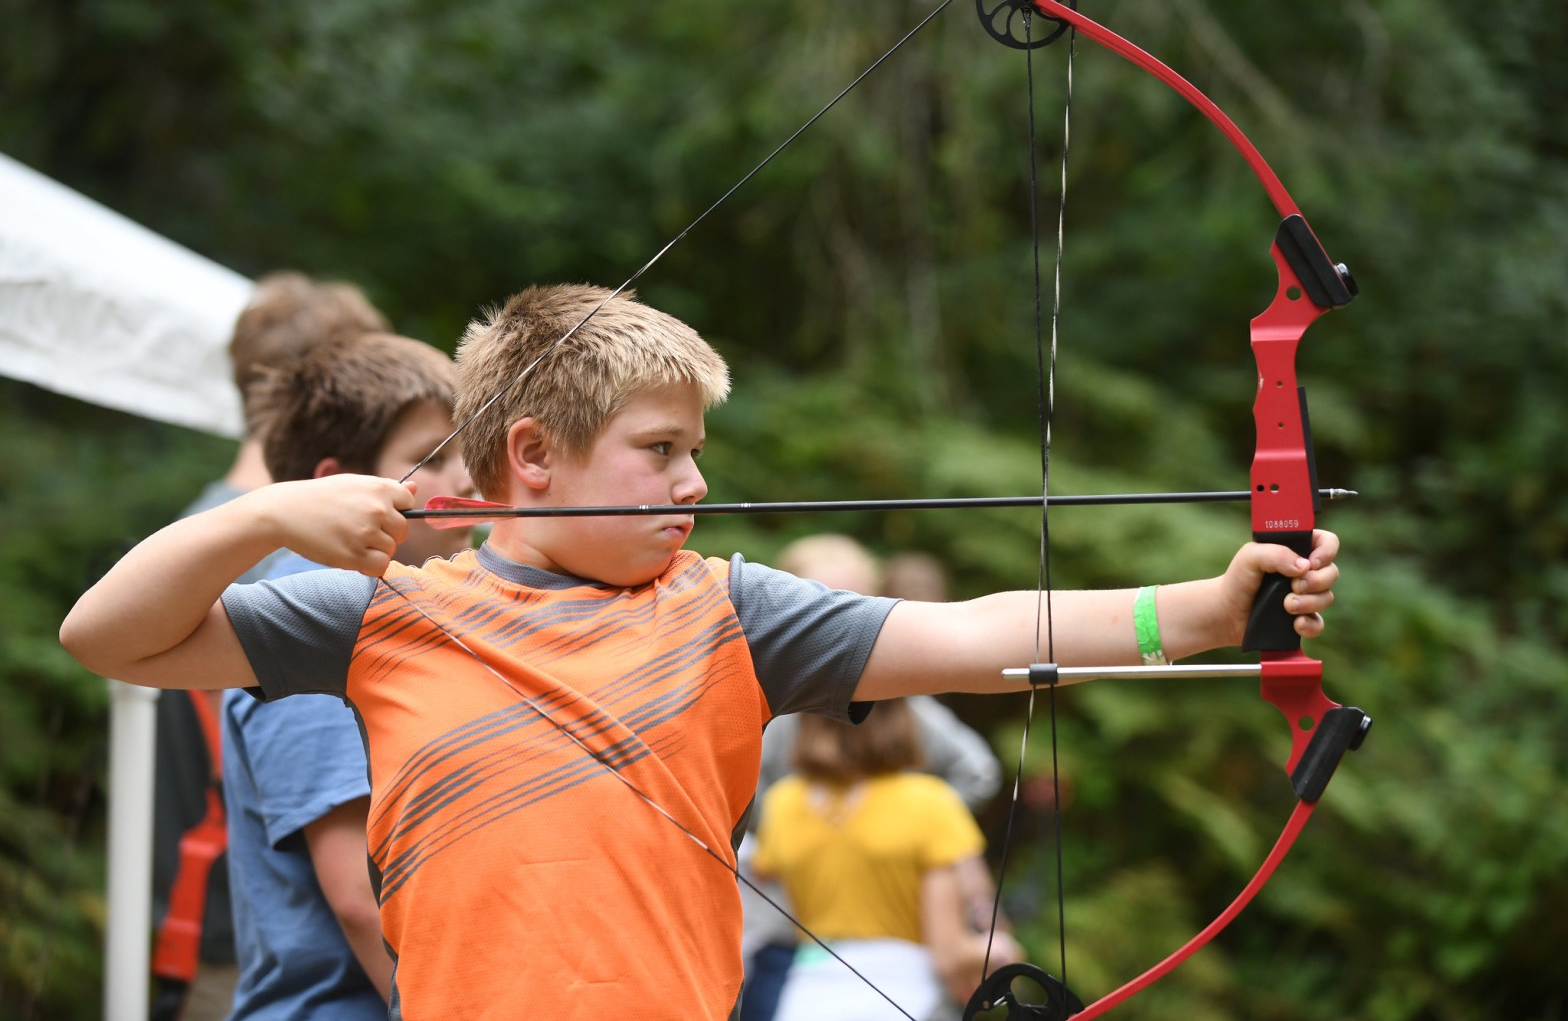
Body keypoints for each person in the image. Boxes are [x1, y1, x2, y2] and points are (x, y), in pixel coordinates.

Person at [61, 282, 1342, 1021]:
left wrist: (1209, 608)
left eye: (692, 446)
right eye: (659, 448)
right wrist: (271, 519)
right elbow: (109, 637)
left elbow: (977, 633)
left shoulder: (730, 609)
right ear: (532, 458)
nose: (693, 474)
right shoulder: (383, 614)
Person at [151, 272, 390, 1021]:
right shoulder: (298, 553)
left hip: (211, 925)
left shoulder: (187, 537)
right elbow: (352, 886)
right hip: (281, 938)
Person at [220, 331, 474, 1019]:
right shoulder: (318, 614)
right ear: (336, 483)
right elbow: (362, 897)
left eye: (467, 450)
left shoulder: (394, 603)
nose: (469, 481)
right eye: (436, 458)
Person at [740, 535, 1001, 1021]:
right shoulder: (775, 720)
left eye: (854, 603)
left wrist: (905, 828)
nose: (836, 623)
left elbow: (976, 770)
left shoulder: (916, 771)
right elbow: (741, 797)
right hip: (782, 930)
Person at [752, 698, 1023, 1020]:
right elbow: (950, 956)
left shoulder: (782, 805)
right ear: (902, 719)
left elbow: (767, 875)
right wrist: (1002, 951)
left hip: (804, 998)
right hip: (906, 998)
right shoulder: (932, 803)